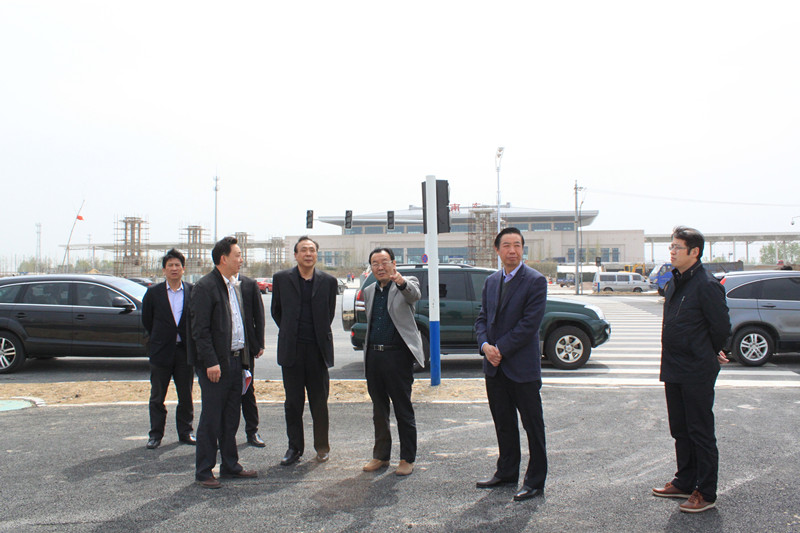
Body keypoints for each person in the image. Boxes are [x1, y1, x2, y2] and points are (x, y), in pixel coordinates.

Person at [652, 226, 730, 513]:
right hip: (673, 365)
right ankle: (685, 481)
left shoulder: (706, 285)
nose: (672, 252)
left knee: (700, 431)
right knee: (680, 429)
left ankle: (705, 491)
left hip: (696, 368)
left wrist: (710, 350)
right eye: (671, 246)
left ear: (694, 252)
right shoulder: (675, 280)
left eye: (677, 247)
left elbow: (721, 326)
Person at [474, 227, 548, 502]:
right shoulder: (491, 281)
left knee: (533, 427)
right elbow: (482, 319)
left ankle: (535, 481)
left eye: (517, 245)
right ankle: (506, 472)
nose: (512, 250)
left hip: (522, 368)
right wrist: (485, 346)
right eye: (506, 245)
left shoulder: (535, 281)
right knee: (503, 423)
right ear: (497, 250)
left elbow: (529, 325)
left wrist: (500, 349)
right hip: (495, 369)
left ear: (522, 249)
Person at [189, 236, 258, 489]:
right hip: (216, 365)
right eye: (237, 255)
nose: (241, 259)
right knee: (211, 419)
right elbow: (200, 330)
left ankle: (230, 465)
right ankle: (204, 471)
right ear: (223, 258)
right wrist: (211, 362)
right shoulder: (205, 287)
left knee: (231, 417)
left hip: (236, 361)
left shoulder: (232, 285)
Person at [271, 236, 338, 465]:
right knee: (293, 403)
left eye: (312, 250)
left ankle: (322, 447)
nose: (308, 254)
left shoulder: (328, 281)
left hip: (318, 351)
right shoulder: (281, 279)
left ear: (316, 254)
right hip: (292, 350)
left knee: (319, 403)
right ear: (296, 255)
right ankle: (294, 448)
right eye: (303, 250)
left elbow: (329, 313)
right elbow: (276, 311)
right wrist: (290, 331)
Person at [360, 247, 425, 476]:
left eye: (384, 262)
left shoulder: (406, 283)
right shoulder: (369, 290)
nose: (380, 267)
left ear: (394, 263)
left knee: (402, 408)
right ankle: (381, 455)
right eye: (375, 263)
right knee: (379, 409)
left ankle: (407, 458)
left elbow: (414, 295)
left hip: (397, 356)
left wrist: (400, 281)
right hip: (374, 356)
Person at [141, 248, 195, 450]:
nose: (174, 268)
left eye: (177, 265)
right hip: (161, 352)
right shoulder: (153, 293)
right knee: (157, 396)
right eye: (170, 265)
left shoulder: (192, 290)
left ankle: (186, 432)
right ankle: (155, 434)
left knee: (185, 395)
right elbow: (147, 320)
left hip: (184, 352)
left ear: (183, 269)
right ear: (164, 270)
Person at [238, 273, 266, 447]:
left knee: (248, 390)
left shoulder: (249, 284)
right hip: (223, 350)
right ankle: (222, 435)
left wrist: (259, 344)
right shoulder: (213, 284)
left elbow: (258, 315)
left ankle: (252, 431)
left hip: (246, 349)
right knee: (224, 395)